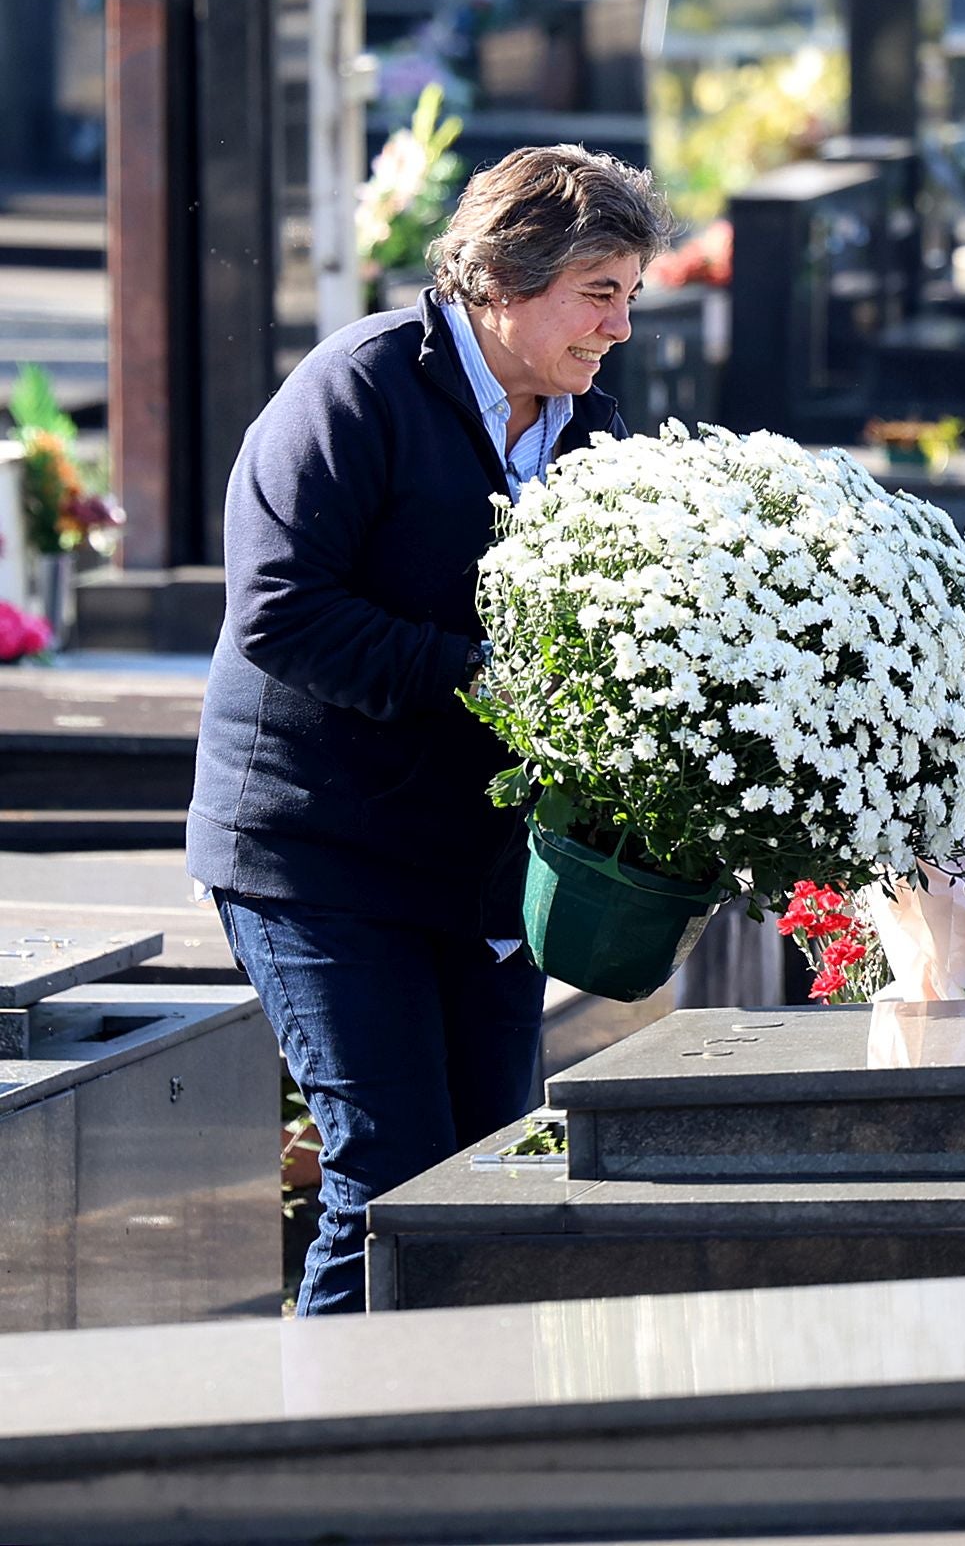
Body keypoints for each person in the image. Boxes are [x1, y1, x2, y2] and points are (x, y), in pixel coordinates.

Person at [187, 144, 670, 1314]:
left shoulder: (590, 424)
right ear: (506, 276)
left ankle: (447, 1451)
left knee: (490, 1170)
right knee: (390, 1169)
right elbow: (280, 612)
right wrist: (486, 680)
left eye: (629, 296)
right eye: (597, 292)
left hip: (475, 867)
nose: (617, 325)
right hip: (316, 851)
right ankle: (320, 1466)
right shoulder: (356, 388)